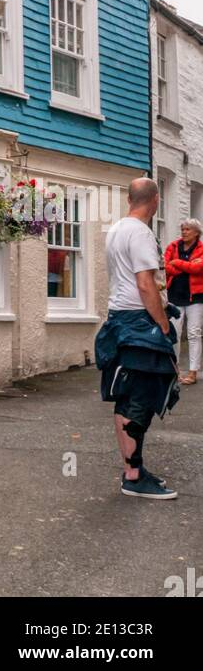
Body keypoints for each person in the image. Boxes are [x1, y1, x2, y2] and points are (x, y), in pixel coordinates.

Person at [96, 178, 181, 499]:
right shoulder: (142, 233)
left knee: (128, 395)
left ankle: (134, 467)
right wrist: (161, 324)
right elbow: (145, 284)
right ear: (156, 200)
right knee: (139, 399)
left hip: (119, 320)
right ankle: (133, 477)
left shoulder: (118, 229)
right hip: (138, 323)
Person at [164, 218, 203, 384]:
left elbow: (198, 268)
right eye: (183, 229)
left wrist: (178, 263)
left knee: (194, 333)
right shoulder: (173, 246)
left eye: (188, 229)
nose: (184, 232)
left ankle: (193, 372)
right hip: (174, 296)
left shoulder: (201, 249)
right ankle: (174, 370)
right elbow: (166, 265)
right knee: (175, 334)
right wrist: (186, 266)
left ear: (196, 233)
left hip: (195, 297)